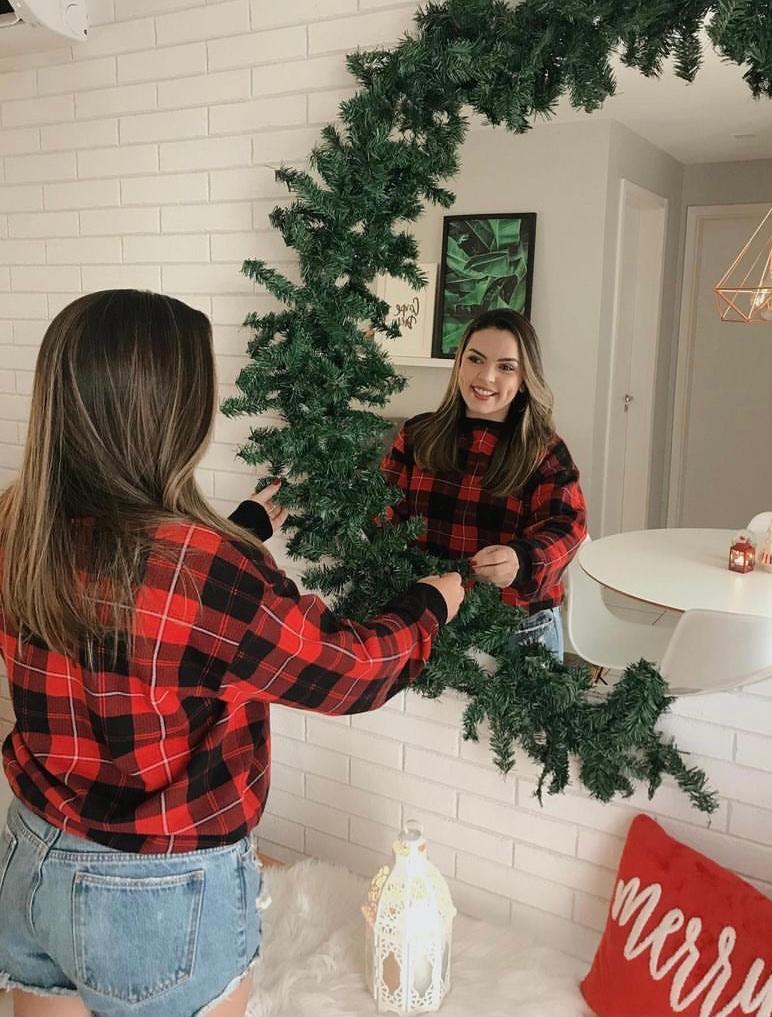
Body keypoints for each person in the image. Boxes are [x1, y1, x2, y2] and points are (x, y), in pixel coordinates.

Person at [0, 289, 464, 1017]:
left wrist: (243, 525)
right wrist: (430, 603)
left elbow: (129, 597)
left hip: (33, 853)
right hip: (157, 892)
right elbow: (349, 670)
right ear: (170, 413)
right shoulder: (205, 571)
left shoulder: (17, 526)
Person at [380, 308, 586, 660]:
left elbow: (567, 527)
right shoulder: (417, 435)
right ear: (459, 363)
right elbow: (382, 510)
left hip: (517, 624)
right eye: (475, 359)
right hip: (431, 611)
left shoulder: (545, 451)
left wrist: (521, 559)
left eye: (506, 367)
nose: (486, 376)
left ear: (524, 379)